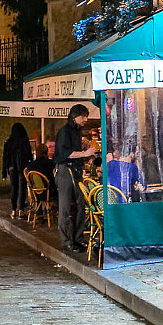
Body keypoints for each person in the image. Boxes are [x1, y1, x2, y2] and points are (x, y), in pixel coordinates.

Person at [53, 105, 96, 251]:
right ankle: (66, 242)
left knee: (80, 205)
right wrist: (84, 154)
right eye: (83, 116)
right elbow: (65, 153)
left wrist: (84, 158)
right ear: (74, 116)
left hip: (76, 170)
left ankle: (78, 239)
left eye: (86, 116)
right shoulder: (64, 131)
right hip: (65, 170)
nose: (86, 119)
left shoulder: (78, 132)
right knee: (65, 207)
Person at [2, 122, 33, 218]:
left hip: (12, 168)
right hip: (22, 168)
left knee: (14, 188)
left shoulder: (8, 143)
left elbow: (5, 158)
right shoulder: (25, 142)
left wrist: (4, 172)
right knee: (22, 189)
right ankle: (20, 210)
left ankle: (13, 210)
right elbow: (29, 156)